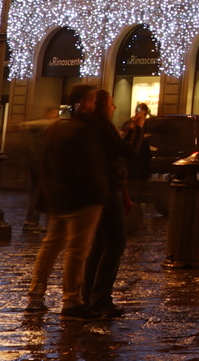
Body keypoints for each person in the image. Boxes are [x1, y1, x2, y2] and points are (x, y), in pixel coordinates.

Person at [26, 83, 107, 320]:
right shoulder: (85, 130)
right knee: (77, 250)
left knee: (50, 246)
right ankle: (72, 300)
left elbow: (46, 163)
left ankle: (36, 295)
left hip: (56, 198)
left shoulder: (55, 128)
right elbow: (91, 169)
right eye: (92, 100)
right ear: (82, 103)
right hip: (81, 200)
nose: (94, 105)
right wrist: (98, 194)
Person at [81, 89, 131, 318]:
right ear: (102, 106)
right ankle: (100, 298)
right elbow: (126, 150)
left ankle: (89, 295)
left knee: (99, 245)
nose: (115, 107)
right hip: (109, 190)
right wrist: (137, 129)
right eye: (111, 103)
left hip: (101, 190)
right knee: (115, 244)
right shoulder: (102, 125)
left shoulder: (93, 126)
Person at [13, 107, 59, 229]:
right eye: (55, 114)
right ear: (50, 114)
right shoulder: (46, 125)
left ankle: (32, 220)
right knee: (39, 193)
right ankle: (33, 221)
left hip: (34, 164)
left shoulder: (34, 129)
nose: (56, 117)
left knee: (35, 193)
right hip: (41, 164)